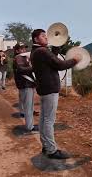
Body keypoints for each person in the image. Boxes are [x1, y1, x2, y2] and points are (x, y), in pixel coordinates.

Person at [30, 29, 81, 159]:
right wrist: (75, 60)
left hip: (44, 89)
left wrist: (57, 45)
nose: (46, 37)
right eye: (43, 36)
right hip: (50, 89)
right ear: (36, 39)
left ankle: (46, 146)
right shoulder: (41, 51)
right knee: (48, 120)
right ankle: (52, 150)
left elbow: (51, 59)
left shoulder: (36, 51)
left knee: (43, 119)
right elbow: (59, 64)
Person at [13, 42, 38, 132]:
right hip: (25, 84)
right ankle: (29, 126)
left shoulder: (23, 57)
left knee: (28, 106)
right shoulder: (19, 58)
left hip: (26, 84)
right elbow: (21, 69)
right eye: (21, 48)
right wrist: (34, 68)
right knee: (28, 106)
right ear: (17, 50)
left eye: (24, 48)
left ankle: (29, 125)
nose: (24, 50)